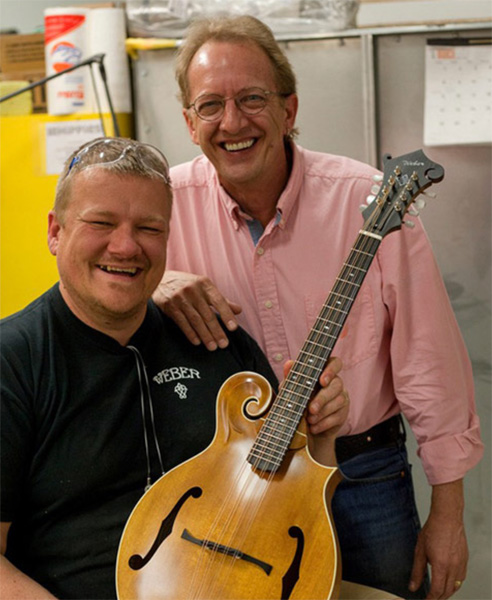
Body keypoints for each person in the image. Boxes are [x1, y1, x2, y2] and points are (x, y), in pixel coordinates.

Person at [151, 15, 484, 600]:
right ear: (189, 122)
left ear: (290, 108)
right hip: (228, 484)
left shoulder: (367, 199)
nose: (232, 122)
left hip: (364, 474)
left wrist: (448, 514)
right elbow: (92, 289)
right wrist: (156, 283)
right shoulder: (161, 209)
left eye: (252, 98)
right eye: (210, 105)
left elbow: (429, 361)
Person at [0, 137, 349, 599]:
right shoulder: (13, 360)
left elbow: (291, 506)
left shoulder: (214, 338)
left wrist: (321, 434)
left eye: (149, 228)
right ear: (55, 232)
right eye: (101, 222)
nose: (126, 246)